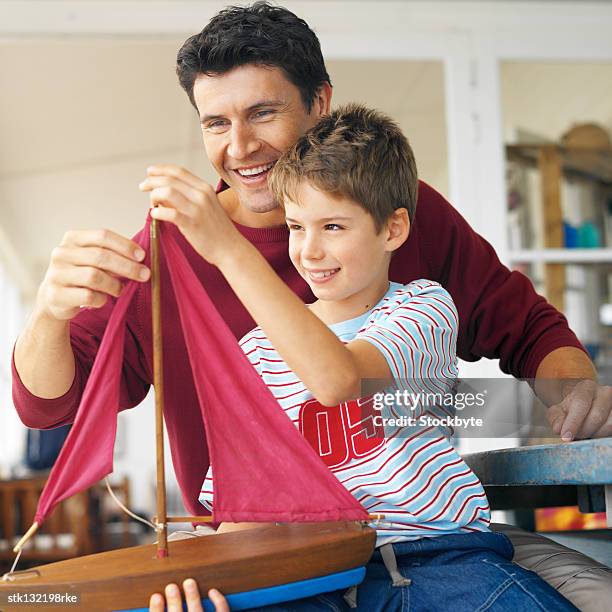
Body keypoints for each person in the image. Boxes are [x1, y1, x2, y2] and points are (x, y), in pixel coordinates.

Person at [11, 2, 611, 609]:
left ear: (319, 103)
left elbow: (527, 330)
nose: (240, 147)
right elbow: (48, 405)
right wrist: (50, 313)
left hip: (428, 543)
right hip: (273, 564)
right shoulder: (169, 252)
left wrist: (575, 398)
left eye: (263, 113)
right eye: (215, 123)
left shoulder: (396, 210)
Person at [151, 104, 576, 611]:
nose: (308, 251)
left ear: (393, 230)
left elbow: (340, 378)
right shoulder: (257, 352)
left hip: (437, 559)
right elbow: (246, 509)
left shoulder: (424, 307)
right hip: (315, 573)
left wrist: (228, 252)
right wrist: (208, 572)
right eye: (295, 226)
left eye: (332, 227)